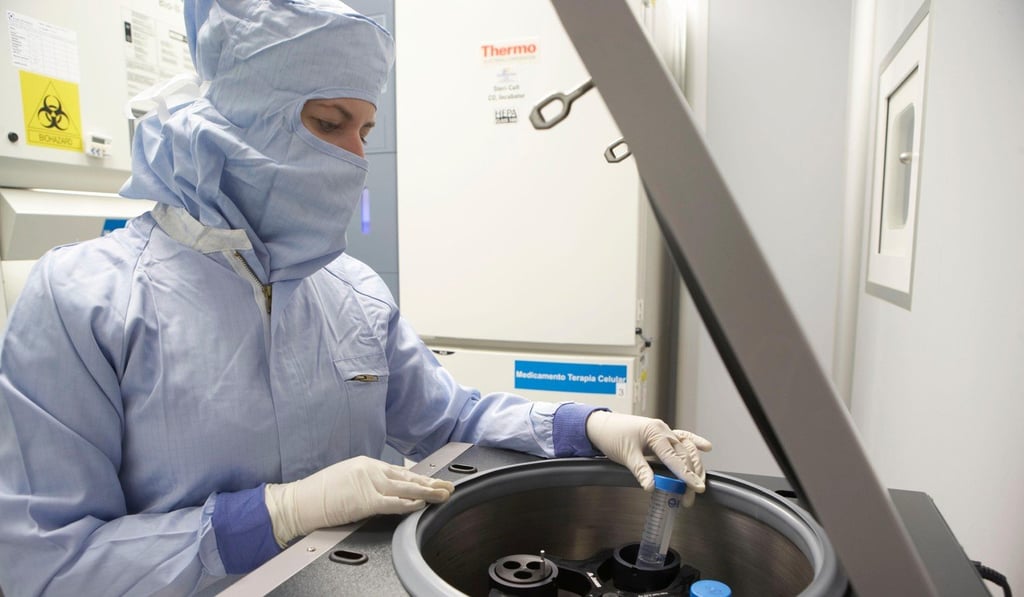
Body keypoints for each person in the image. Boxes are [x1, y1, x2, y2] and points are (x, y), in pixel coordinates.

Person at [0, 1, 712, 595]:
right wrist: (272, 515)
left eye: (365, 130)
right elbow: (45, 563)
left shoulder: (353, 291)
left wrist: (590, 425)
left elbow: (452, 419)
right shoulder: (83, 302)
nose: (354, 157)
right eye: (327, 123)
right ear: (239, 114)